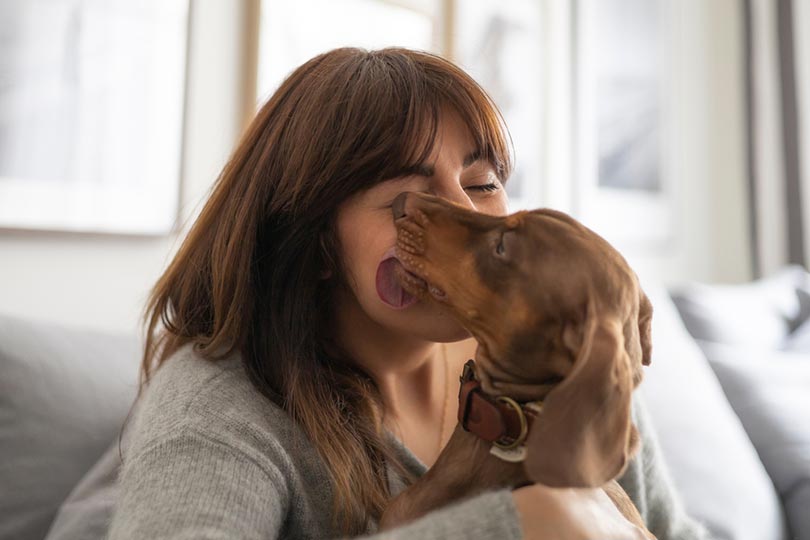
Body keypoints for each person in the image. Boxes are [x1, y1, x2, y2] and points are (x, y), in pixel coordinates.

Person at [107, 47, 709, 539]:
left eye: (483, 183)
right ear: (316, 243)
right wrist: (524, 523)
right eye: (405, 202)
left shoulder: (548, 347)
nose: (465, 215)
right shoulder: (214, 413)